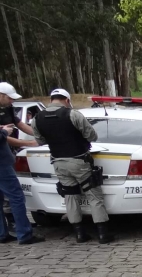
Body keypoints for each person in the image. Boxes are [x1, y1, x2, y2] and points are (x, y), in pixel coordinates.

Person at [32, 88, 114, 244]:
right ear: (67, 101)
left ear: (51, 100)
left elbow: (40, 141)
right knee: (94, 195)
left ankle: (79, 234)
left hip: (58, 162)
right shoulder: (73, 114)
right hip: (79, 161)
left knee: (70, 196)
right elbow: (92, 136)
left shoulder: (37, 118)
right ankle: (103, 234)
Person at [0, 81, 43, 244]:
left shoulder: (8, 108)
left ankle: (2, 234)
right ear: (1, 95)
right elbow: (3, 138)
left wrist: (39, 135)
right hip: (2, 162)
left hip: (4, 159)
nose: (12, 101)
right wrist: (29, 143)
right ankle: (24, 234)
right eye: (9, 98)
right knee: (16, 197)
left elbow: (19, 124)